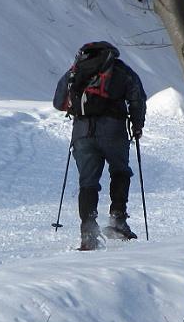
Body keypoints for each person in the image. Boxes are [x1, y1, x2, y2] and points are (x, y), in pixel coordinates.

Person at [53, 41, 147, 250]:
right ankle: (118, 221)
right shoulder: (120, 69)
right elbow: (137, 98)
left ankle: (88, 233)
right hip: (113, 131)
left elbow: (59, 102)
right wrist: (137, 125)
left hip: (82, 134)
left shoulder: (75, 70)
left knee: (88, 183)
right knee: (120, 171)